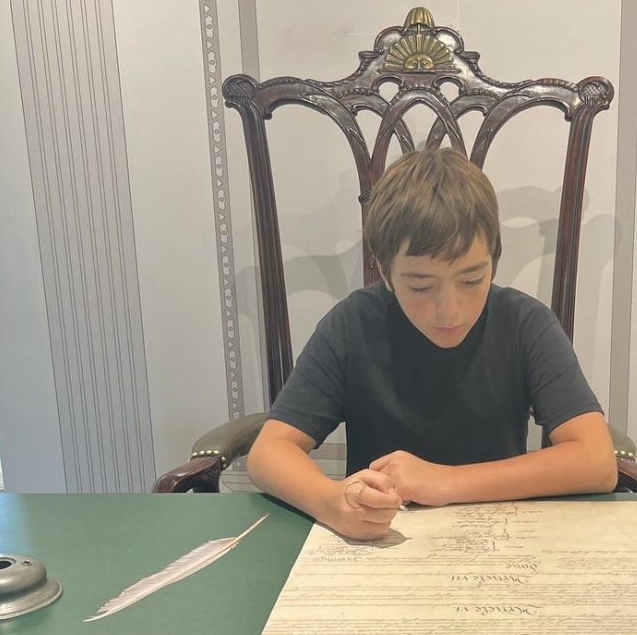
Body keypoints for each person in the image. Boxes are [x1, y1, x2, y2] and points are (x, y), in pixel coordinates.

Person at [247, 148, 618, 539]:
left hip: (497, 540)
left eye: (472, 280)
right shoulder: (352, 325)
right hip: (379, 544)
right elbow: (268, 452)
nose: (450, 311)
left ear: (494, 259)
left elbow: (597, 461)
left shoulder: (525, 324)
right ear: (385, 272)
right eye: (421, 287)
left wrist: (447, 481)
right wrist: (331, 502)